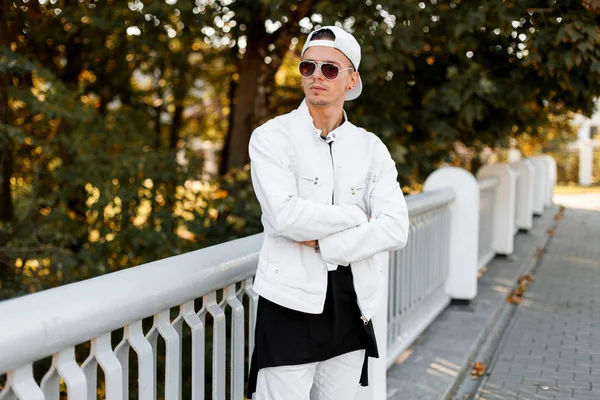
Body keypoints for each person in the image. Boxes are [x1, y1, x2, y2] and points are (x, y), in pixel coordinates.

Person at [247, 25, 409, 400]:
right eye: (308, 67)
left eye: (330, 69)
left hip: (352, 305)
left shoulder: (371, 148)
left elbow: (396, 228)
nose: (317, 76)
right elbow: (284, 217)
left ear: (352, 80)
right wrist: (356, 217)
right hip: (288, 302)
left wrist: (324, 245)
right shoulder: (272, 137)